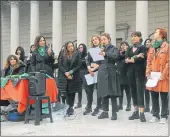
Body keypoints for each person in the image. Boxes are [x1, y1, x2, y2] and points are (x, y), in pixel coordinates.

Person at [146, 28, 169, 124]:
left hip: (163, 76)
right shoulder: (152, 47)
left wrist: (164, 74)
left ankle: (164, 116)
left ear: (161, 34)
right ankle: (155, 115)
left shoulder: (167, 46)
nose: (154, 33)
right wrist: (147, 73)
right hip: (153, 75)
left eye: (156, 32)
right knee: (154, 96)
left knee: (164, 96)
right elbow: (149, 61)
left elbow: (168, 62)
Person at [97, 33, 121, 120]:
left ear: (109, 39)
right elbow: (98, 61)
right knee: (104, 92)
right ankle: (105, 112)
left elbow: (115, 57)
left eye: (104, 39)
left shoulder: (114, 48)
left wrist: (105, 54)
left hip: (111, 71)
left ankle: (114, 113)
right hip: (102, 71)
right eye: (102, 39)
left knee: (112, 92)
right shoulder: (100, 49)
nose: (103, 41)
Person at [125, 31, 147, 122]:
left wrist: (132, 59)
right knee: (133, 92)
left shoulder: (143, 47)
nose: (133, 38)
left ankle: (142, 113)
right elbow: (126, 60)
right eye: (132, 36)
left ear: (139, 37)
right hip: (130, 73)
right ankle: (135, 112)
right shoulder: (129, 48)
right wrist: (135, 57)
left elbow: (142, 57)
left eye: (135, 36)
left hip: (140, 73)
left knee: (140, 92)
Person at [58, 41, 82, 115]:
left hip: (74, 76)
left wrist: (70, 72)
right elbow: (60, 65)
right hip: (65, 76)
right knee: (66, 92)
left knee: (72, 92)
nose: (71, 47)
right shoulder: (63, 54)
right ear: (66, 48)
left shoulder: (77, 54)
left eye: (72, 46)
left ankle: (71, 107)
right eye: (69, 46)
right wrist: (66, 73)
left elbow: (78, 65)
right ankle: (67, 107)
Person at [83, 35, 103, 116]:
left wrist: (93, 70)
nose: (94, 41)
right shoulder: (90, 50)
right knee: (89, 90)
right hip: (90, 71)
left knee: (99, 91)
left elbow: (100, 63)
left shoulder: (101, 50)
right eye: (93, 39)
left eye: (96, 39)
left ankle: (98, 107)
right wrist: (89, 68)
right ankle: (89, 106)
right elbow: (87, 60)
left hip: (98, 71)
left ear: (99, 40)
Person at [117, 41, 131, 111]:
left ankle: (129, 105)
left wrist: (126, 51)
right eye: (122, 45)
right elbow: (117, 59)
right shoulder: (119, 53)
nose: (123, 46)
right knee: (120, 91)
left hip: (127, 74)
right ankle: (120, 105)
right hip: (120, 74)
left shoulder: (128, 53)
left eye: (124, 45)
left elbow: (128, 59)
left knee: (128, 91)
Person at [74, 43, 88, 109]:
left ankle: (88, 103)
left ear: (84, 48)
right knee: (79, 89)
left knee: (86, 88)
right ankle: (79, 103)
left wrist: (82, 61)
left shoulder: (86, 55)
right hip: (79, 73)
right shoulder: (77, 55)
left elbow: (87, 63)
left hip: (85, 72)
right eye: (79, 47)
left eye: (81, 47)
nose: (80, 49)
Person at [143, 38, 152, 112]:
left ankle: (155, 107)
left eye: (148, 42)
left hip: (152, 73)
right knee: (146, 90)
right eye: (146, 42)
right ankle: (147, 106)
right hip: (145, 73)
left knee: (153, 90)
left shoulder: (153, 50)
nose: (147, 43)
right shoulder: (144, 51)